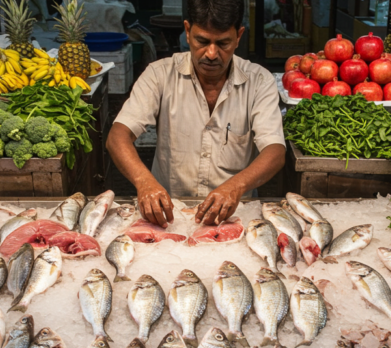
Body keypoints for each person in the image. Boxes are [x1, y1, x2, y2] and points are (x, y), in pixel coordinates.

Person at [107, 0, 285, 227]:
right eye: (202, 41)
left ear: (239, 36)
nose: (211, 54)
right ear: (188, 31)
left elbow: (275, 151)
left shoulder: (259, 81)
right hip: (169, 215)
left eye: (223, 43)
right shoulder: (159, 74)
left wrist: (235, 186)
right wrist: (144, 182)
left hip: (235, 215)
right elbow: (117, 136)